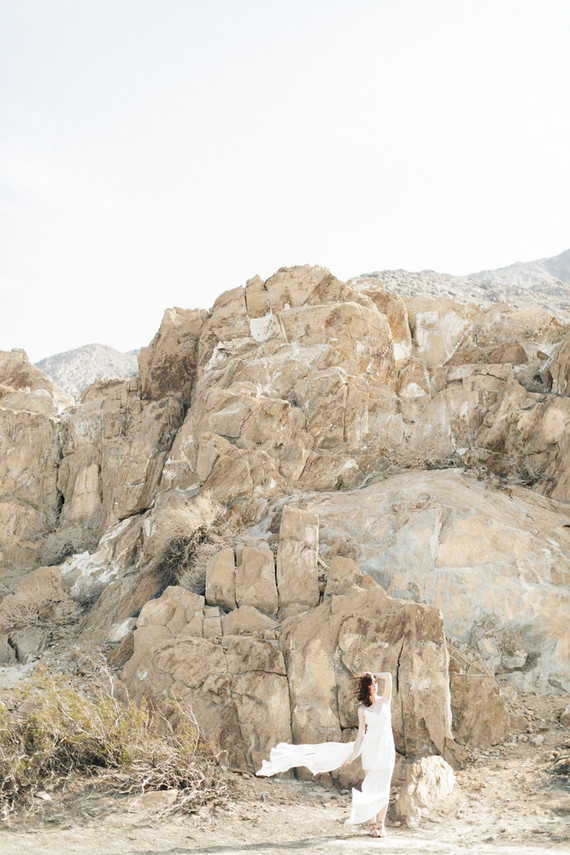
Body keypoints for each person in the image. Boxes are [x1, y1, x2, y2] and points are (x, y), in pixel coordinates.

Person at [256, 671, 395, 838]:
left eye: (375, 684)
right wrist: (353, 756)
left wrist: (373, 674)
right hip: (370, 750)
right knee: (370, 788)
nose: (376, 686)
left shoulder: (385, 700)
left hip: (387, 749)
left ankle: (382, 825)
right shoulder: (362, 710)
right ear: (367, 688)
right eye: (372, 684)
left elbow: (388, 676)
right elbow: (361, 735)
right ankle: (372, 825)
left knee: (384, 788)